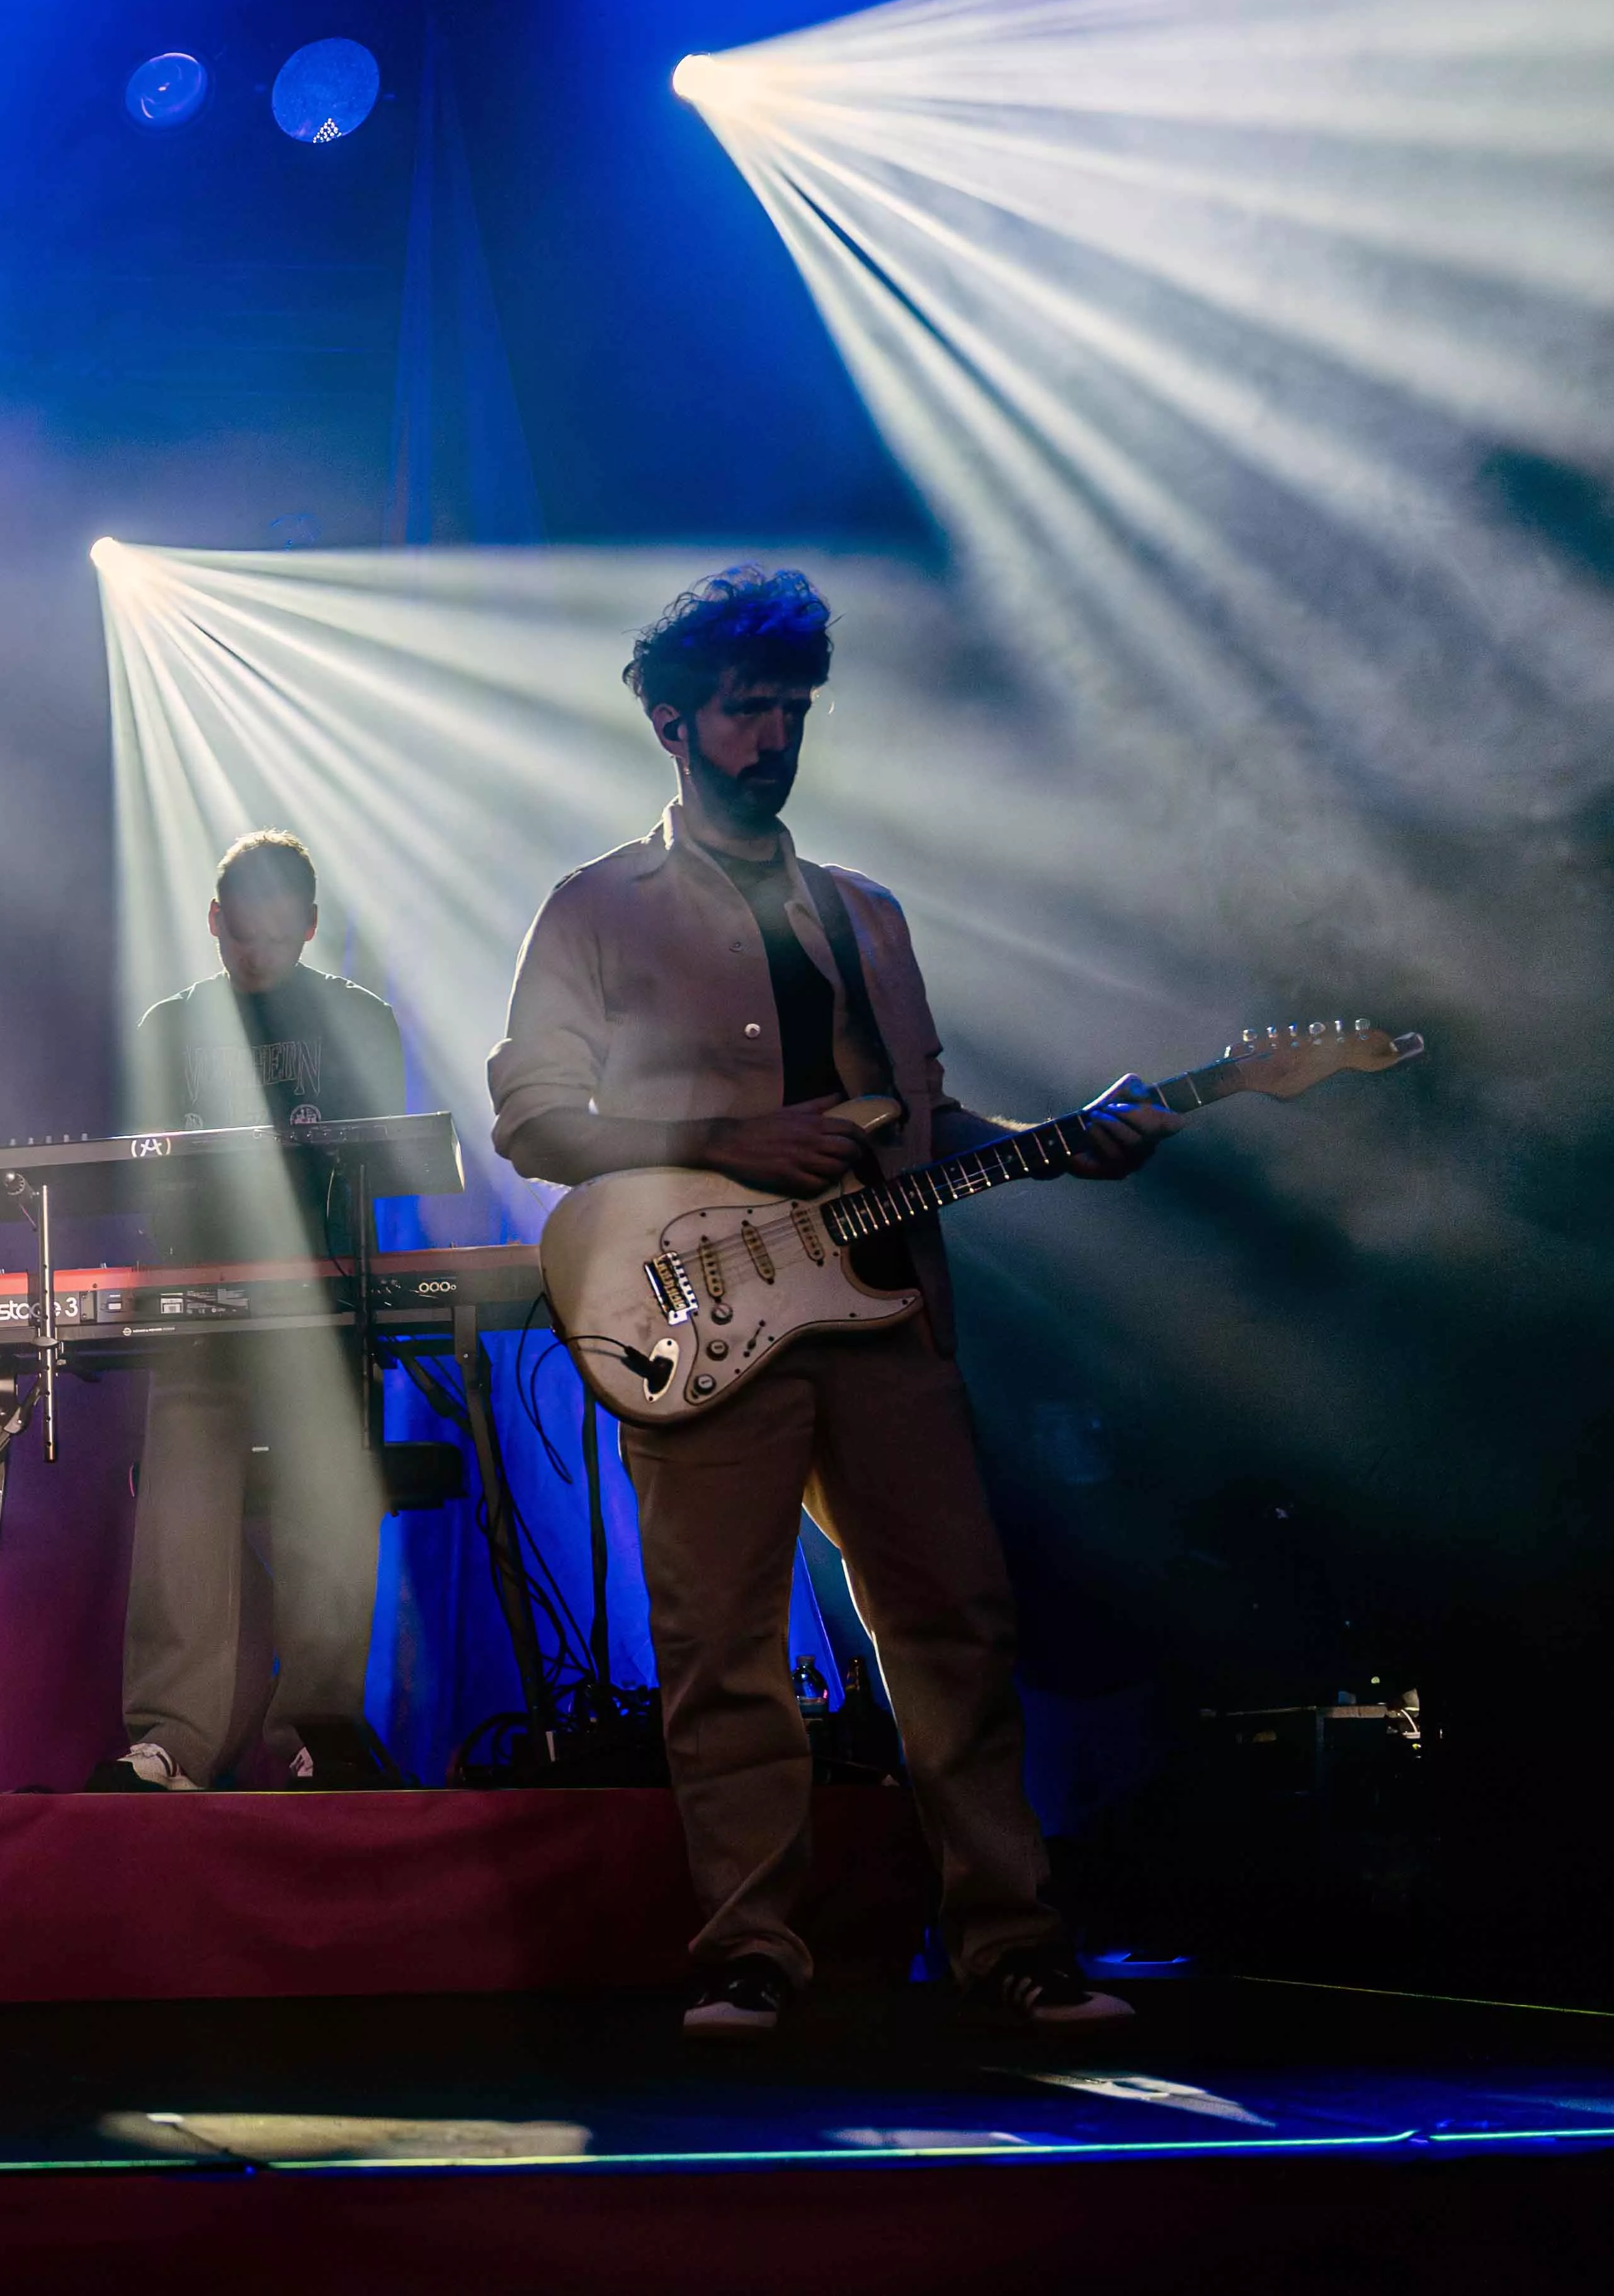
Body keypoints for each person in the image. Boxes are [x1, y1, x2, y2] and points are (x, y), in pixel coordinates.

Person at [489, 566, 1172, 2037]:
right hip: (703, 1315)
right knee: (719, 1648)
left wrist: (1066, 1142)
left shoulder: (864, 911)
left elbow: (912, 1132)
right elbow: (534, 1119)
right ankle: (752, 1953)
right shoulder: (596, 907)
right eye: (746, 709)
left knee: (953, 1629)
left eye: (793, 707)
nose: (775, 735)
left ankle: (1014, 1945)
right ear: (671, 722)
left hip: (886, 1315)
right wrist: (717, 1144)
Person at [94, 830, 412, 1793]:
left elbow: (388, 1161)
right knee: (182, 1519)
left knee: (329, 1506)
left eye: (277, 934)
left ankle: (318, 1730)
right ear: (212, 924)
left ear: (311, 928)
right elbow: (136, 1164)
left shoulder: (357, 1020)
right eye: (240, 933)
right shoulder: (173, 1026)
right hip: (200, 1300)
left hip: (321, 1308)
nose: (257, 952)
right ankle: (173, 1741)